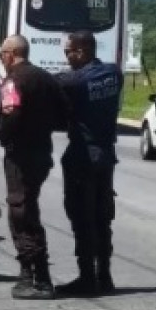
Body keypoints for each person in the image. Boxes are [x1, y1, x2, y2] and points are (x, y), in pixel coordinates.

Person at [0, 35, 68, 299]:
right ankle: (36, 274)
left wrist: (3, 134)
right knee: (29, 208)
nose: (1, 59)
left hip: (21, 155)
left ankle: (35, 278)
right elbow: (64, 114)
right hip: (42, 153)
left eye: (1, 54)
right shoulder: (46, 78)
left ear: (12, 53)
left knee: (20, 213)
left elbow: (11, 115)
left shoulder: (14, 80)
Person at [55, 31, 125, 296]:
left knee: (81, 218)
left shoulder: (75, 81)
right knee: (103, 217)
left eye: (69, 52)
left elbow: (56, 86)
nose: (67, 58)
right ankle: (104, 276)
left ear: (82, 51)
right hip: (106, 157)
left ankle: (86, 278)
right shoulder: (113, 74)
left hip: (82, 156)